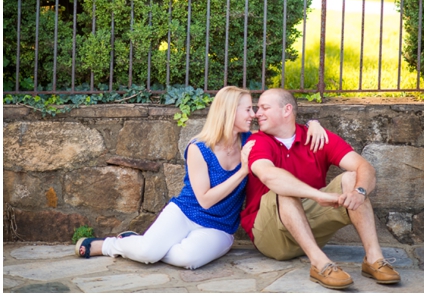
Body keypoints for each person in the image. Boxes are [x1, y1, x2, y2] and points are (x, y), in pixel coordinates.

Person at [74, 86, 328, 269]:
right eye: (248, 109)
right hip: (185, 212)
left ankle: (144, 244)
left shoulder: (252, 140)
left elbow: (285, 127)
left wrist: (314, 123)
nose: (254, 114)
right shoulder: (199, 148)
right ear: (230, 112)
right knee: (149, 254)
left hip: (220, 227)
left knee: (188, 260)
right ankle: (113, 245)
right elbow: (205, 200)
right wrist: (242, 171)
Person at [241, 88, 400, 290]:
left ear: (286, 110)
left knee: (352, 178)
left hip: (307, 228)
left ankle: (374, 259)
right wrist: (318, 195)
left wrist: (359, 192)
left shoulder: (316, 137)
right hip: (270, 235)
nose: (257, 114)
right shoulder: (258, 141)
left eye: (264, 107)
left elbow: (364, 167)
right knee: (285, 189)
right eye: (257, 108)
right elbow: (269, 176)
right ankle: (320, 264)